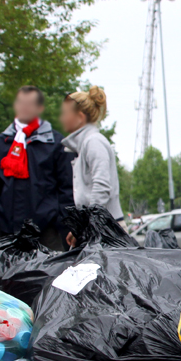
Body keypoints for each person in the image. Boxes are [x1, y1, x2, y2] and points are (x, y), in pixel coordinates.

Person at [0, 86, 74, 250]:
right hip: (6, 231)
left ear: (40, 108)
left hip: (47, 232)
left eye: (29, 104)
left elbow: (67, 188)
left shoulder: (56, 143)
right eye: (20, 103)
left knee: (49, 275)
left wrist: (62, 224)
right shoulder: (0, 143)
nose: (24, 108)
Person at [59, 86, 122, 247]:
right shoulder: (87, 143)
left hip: (105, 230)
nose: (62, 118)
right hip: (101, 228)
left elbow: (101, 187)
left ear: (80, 117)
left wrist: (85, 224)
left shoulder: (93, 142)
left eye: (65, 113)